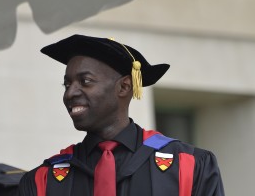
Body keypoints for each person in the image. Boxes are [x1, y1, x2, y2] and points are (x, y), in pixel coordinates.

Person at [18, 34, 224, 196]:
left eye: (86, 81)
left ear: (124, 86)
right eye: (67, 84)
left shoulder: (188, 165)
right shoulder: (44, 180)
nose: (70, 93)